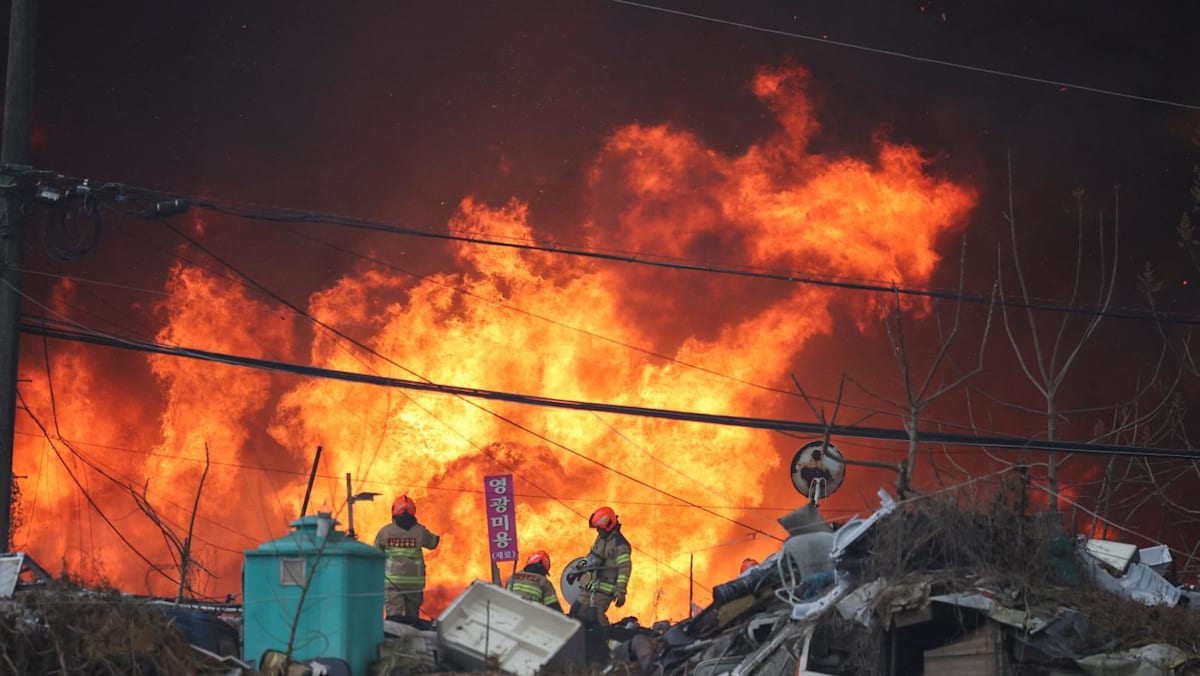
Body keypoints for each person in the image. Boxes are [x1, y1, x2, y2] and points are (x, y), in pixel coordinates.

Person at [373, 494, 440, 621]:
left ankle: (395, 640)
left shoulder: (385, 532)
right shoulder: (419, 531)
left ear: (393, 511)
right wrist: (422, 529)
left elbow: (376, 553)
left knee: (394, 618)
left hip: (393, 582)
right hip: (414, 583)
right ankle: (412, 639)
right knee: (413, 618)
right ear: (413, 511)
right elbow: (433, 543)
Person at [571, 506, 631, 625]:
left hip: (605, 589)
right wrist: (577, 570)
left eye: (599, 528)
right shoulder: (601, 539)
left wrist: (620, 591)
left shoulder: (620, 545)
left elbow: (624, 569)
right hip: (591, 585)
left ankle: (607, 638)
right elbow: (591, 557)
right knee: (576, 612)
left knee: (594, 616)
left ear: (608, 525)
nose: (598, 531)